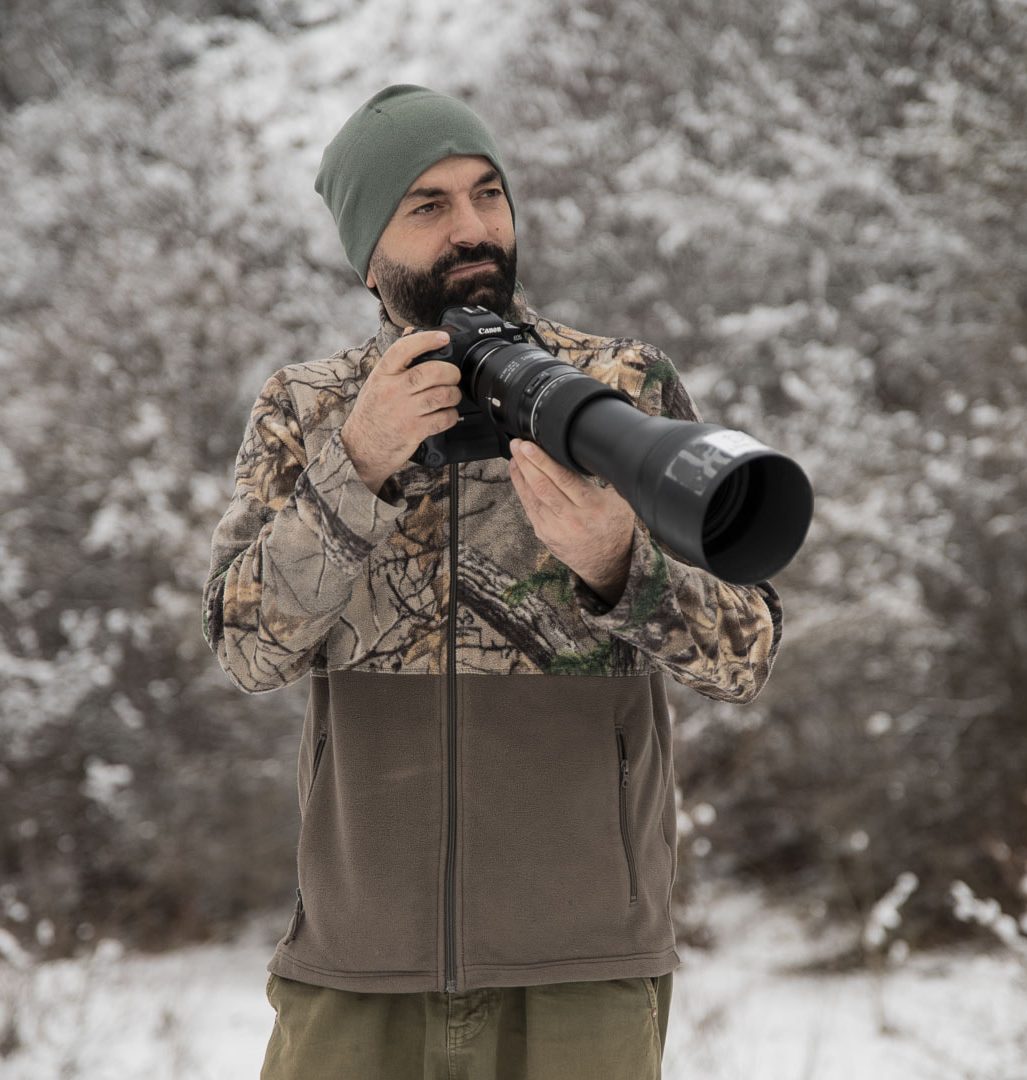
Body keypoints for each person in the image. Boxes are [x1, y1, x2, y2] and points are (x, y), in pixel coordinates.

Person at [202, 84, 784, 1080]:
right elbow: (246, 651)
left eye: (489, 194)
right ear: (368, 248)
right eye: (428, 206)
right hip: (355, 972)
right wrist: (359, 470)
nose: (473, 229)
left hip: (584, 974)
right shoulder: (307, 408)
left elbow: (747, 654)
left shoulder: (623, 389)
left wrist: (621, 568)